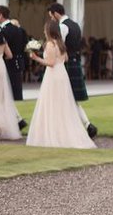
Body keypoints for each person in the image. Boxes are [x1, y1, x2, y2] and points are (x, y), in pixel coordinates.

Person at [26, 19, 96, 149]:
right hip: (62, 73)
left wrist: (36, 58)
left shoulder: (50, 44)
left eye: (45, 29)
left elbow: (50, 63)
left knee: (51, 103)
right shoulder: (60, 43)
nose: (44, 31)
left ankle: (53, 134)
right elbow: (66, 58)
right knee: (62, 104)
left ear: (49, 31)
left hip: (53, 75)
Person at [47, 2, 98, 138]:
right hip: (75, 61)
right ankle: (87, 125)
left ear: (55, 13)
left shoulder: (62, 27)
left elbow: (60, 47)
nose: (51, 19)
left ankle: (72, 128)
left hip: (67, 64)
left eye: (51, 16)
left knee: (65, 98)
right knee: (71, 99)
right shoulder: (75, 25)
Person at [0, 5, 29, 130]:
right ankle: (16, 120)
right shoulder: (19, 30)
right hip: (17, 63)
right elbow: (25, 46)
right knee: (6, 95)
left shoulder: (3, 31)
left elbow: (2, 50)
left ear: (1, 15)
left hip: (7, 65)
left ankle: (14, 121)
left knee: (4, 94)